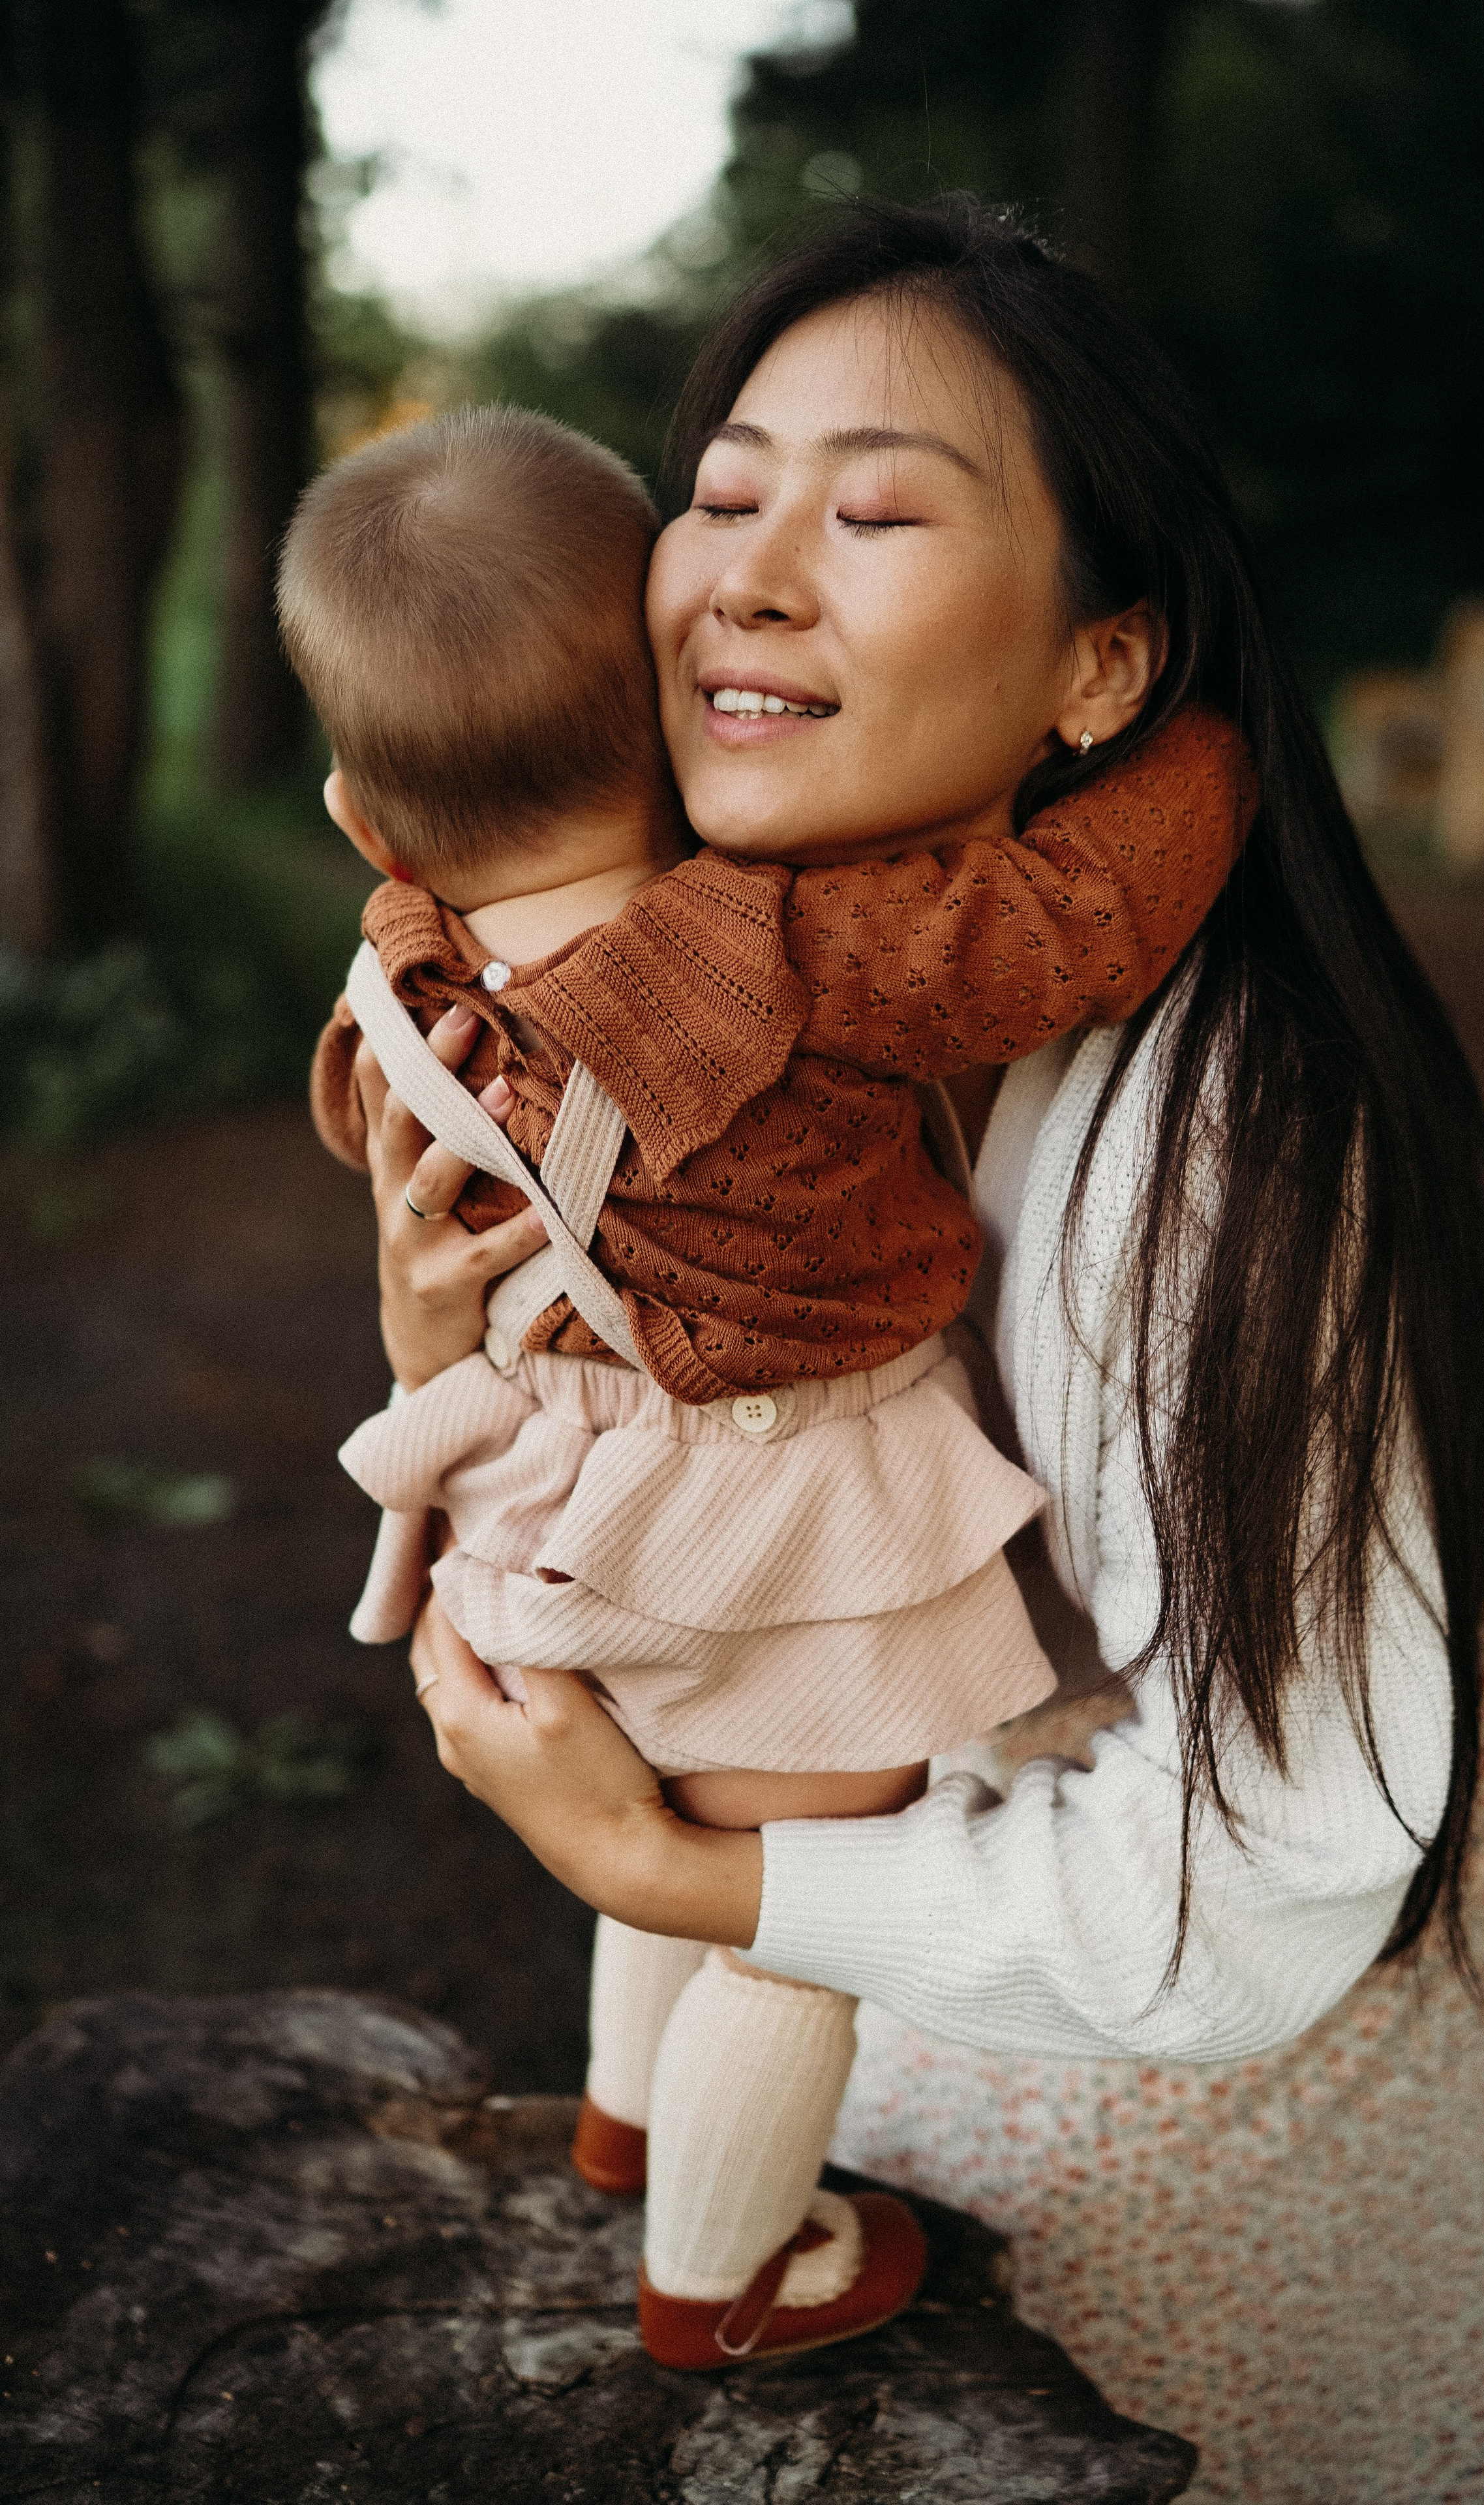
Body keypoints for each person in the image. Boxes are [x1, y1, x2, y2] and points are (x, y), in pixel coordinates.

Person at [349, 202, 1484, 2500]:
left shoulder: (1232, 1181)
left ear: (1096, 672)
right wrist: (450, 1311)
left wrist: (682, 1882)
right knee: (849, 2079)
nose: (754, 571)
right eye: (728, 489)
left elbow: (1268, 1881)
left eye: (872, 511)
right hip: (1046, 1707)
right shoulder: (697, 941)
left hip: (1316, 1800)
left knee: (1166, 2341)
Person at [283, 402, 1249, 2366]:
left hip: (542, 1517)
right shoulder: (792, 949)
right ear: (686, 725)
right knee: (792, 1907)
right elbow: (1077, 923)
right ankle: (726, 2276)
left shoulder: (404, 968)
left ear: (364, 822)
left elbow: (410, 1177)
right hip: (769, 1525)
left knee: (659, 1830)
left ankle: (632, 2132)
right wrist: (1211, 739)